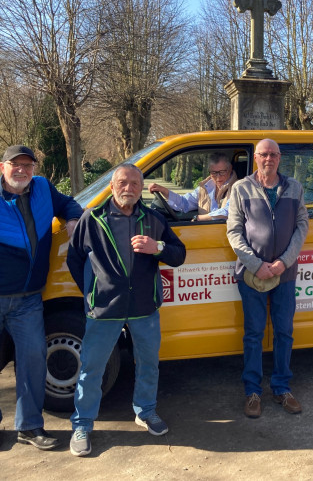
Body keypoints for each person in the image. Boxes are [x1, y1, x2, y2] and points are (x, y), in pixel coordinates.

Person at [0, 145, 83, 451]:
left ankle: (30, 426)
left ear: (34, 169)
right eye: (15, 164)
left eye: (28, 165)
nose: (22, 170)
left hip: (27, 299)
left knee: (33, 360)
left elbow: (69, 204)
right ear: (2, 167)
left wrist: (73, 220)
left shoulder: (43, 189)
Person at [66, 163, 186, 457]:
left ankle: (145, 411)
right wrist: (94, 292)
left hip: (144, 307)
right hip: (105, 308)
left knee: (148, 363)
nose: (129, 188)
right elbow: (74, 259)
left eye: (135, 183)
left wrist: (156, 247)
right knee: (92, 369)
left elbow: (178, 254)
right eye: (123, 182)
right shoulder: (92, 220)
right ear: (111, 186)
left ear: (141, 188)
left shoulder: (153, 219)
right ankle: (82, 425)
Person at [226, 139, 309, 418]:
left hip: (284, 275)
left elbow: (302, 227)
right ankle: (252, 392)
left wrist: (283, 262)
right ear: (256, 158)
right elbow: (234, 232)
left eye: (273, 154)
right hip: (252, 276)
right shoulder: (241, 188)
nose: (268, 158)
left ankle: (282, 388)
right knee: (254, 334)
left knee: (284, 332)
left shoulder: (294, 187)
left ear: (279, 157)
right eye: (263, 154)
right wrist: (256, 264)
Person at [148, 152, 237, 221]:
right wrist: (165, 191)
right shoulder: (205, 187)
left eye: (222, 172)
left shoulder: (238, 187)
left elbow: (228, 212)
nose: (218, 177)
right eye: (214, 173)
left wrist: (199, 218)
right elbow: (184, 203)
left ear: (230, 169)